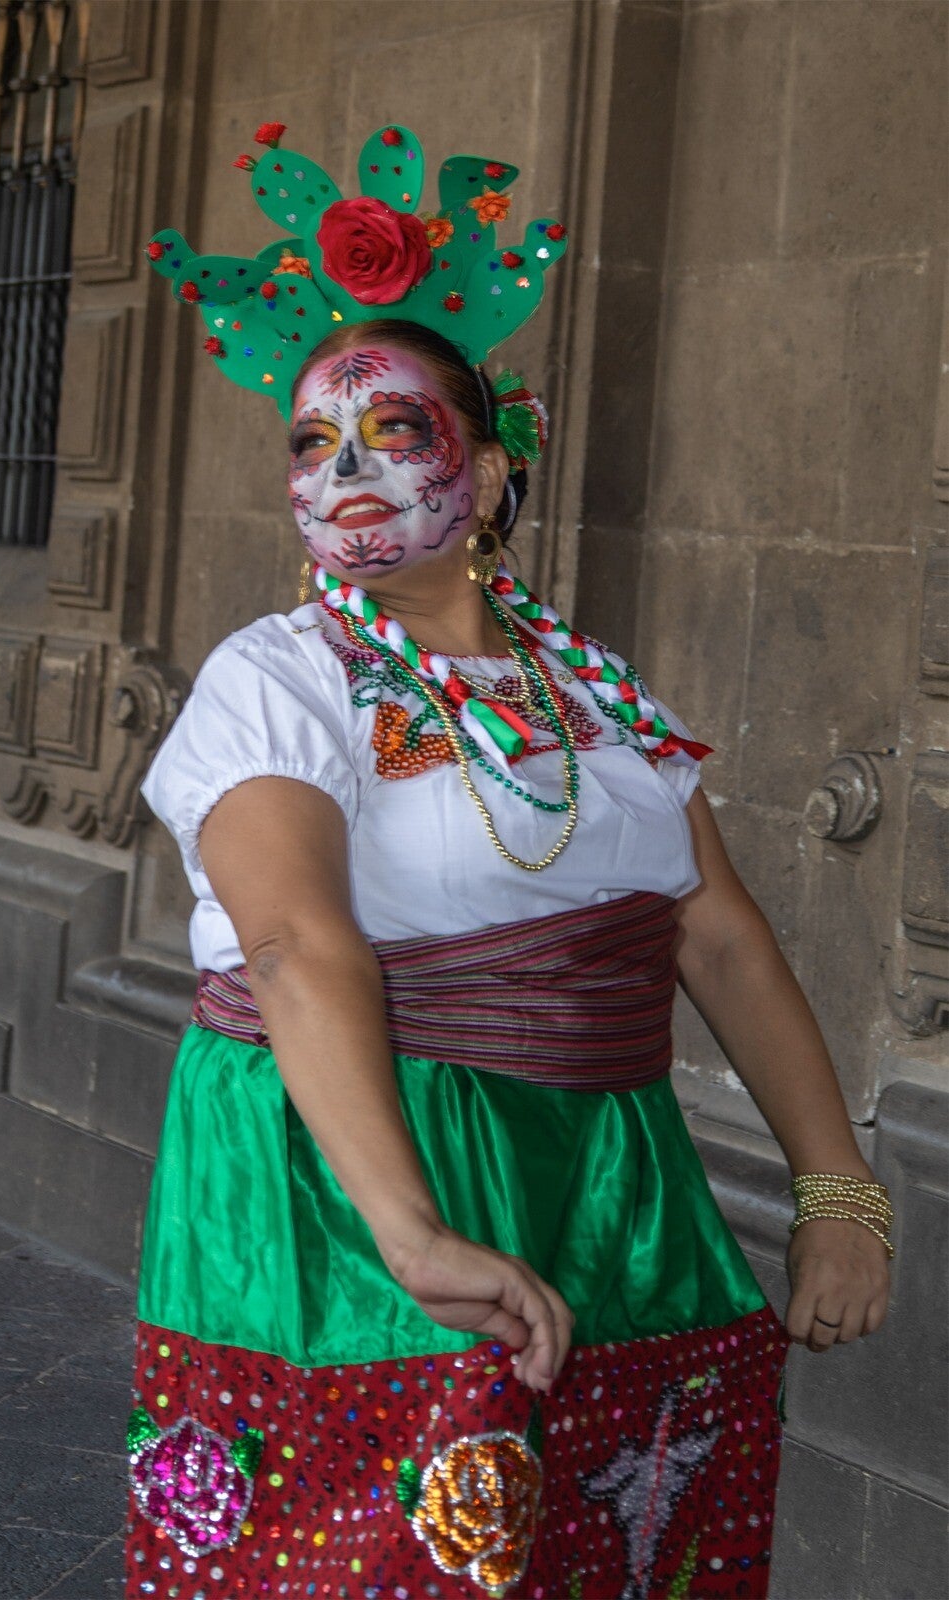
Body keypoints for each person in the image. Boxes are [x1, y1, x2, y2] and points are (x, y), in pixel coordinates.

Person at [125, 124, 893, 1600]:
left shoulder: (599, 693)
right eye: (311, 442)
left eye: (391, 428)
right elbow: (292, 945)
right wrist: (409, 1231)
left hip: (607, 1180)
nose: (345, 465)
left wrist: (836, 1191)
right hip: (351, 1178)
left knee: (610, 1552)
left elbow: (717, 934)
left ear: (482, 476)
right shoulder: (272, 679)